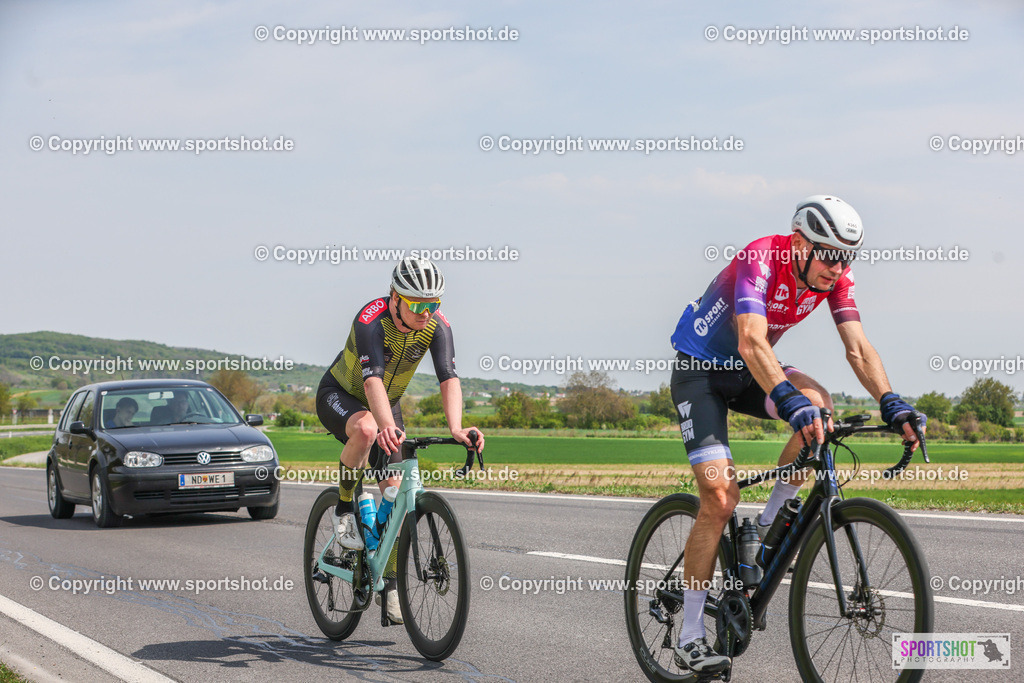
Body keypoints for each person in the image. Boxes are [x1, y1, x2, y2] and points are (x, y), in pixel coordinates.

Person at [667, 195, 926, 674]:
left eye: (847, 256)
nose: (837, 266)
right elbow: (750, 339)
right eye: (829, 254)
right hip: (702, 373)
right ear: (799, 244)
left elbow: (859, 349)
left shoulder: (834, 279)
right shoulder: (761, 257)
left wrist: (890, 401)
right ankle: (689, 635)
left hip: (750, 373)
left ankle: (768, 523)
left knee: (820, 406)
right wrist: (789, 400)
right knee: (720, 500)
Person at [316, 256, 485, 623]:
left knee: (395, 491)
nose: (426, 312)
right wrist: (382, 424)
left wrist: (457, 428)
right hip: (343, 394)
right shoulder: (370, 320)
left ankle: (388, 582)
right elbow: (372, 379)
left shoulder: (436, 325)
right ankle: (344, 508)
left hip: (385, 404)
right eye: (418, 304)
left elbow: (448, 377)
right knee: (366, 430)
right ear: (395, 297)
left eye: (433, 304)